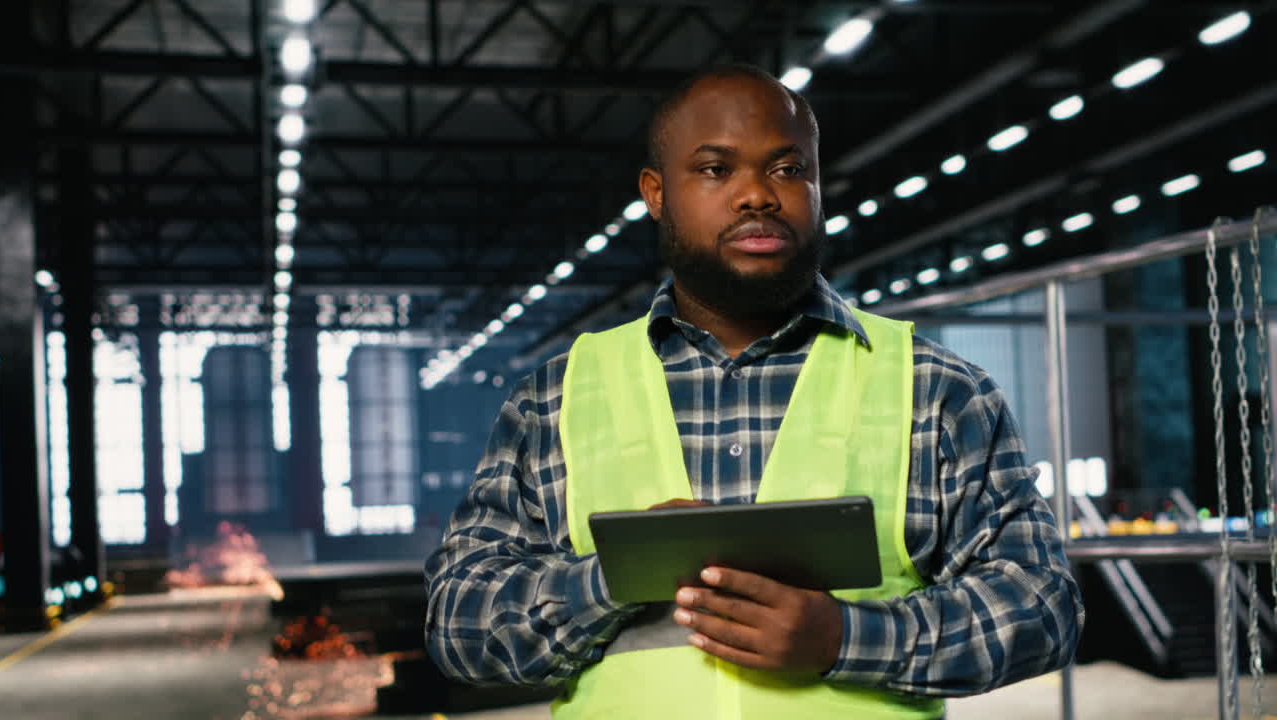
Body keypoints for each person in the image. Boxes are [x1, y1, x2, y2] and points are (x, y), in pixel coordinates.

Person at [425, 64, 1084, 719]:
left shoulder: (935, 389)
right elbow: (459, 622)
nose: (758, 196)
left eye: (788, 169)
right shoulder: (555, 402)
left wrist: (846, 638)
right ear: (656, 193)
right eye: (716, 169)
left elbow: (1042, 605)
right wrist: (612, 578)